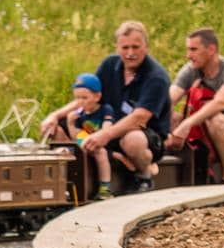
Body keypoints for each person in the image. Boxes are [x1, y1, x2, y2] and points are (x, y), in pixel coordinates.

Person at [42, 21, 171, 195]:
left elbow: (139, 118)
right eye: (125, 48)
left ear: (146, 47)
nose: (130, 53)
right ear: (117, 47)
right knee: (58, 127)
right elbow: (87, 97)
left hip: (143, 135)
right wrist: (54, 116)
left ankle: (144, 175)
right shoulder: (110, 65)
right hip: (105, 127)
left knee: (133, 140)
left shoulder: (157, 77)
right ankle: (74, 177)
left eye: (136, 47)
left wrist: (104, 135)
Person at [166, 28, 224, 185]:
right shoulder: (191, 69)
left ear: (211, 49)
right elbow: (169, 98)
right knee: (171, 116)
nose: (189, 55)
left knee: (214, 119)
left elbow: (219, 103)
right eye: (188, 50)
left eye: (194, 50)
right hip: (206, 135)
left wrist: (187, 124)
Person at [39, 72, 111, 188]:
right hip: (84, 143)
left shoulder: (105, 109)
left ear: (97, 97)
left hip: (100, 143)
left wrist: (96, 138)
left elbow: (107, 130)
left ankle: (105, 186)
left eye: (84, 98)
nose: (80, 102)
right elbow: (76, 139)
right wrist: (70, 123)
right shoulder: (79, 114)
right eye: (77, 98)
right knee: (63, 150)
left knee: (101, 152)